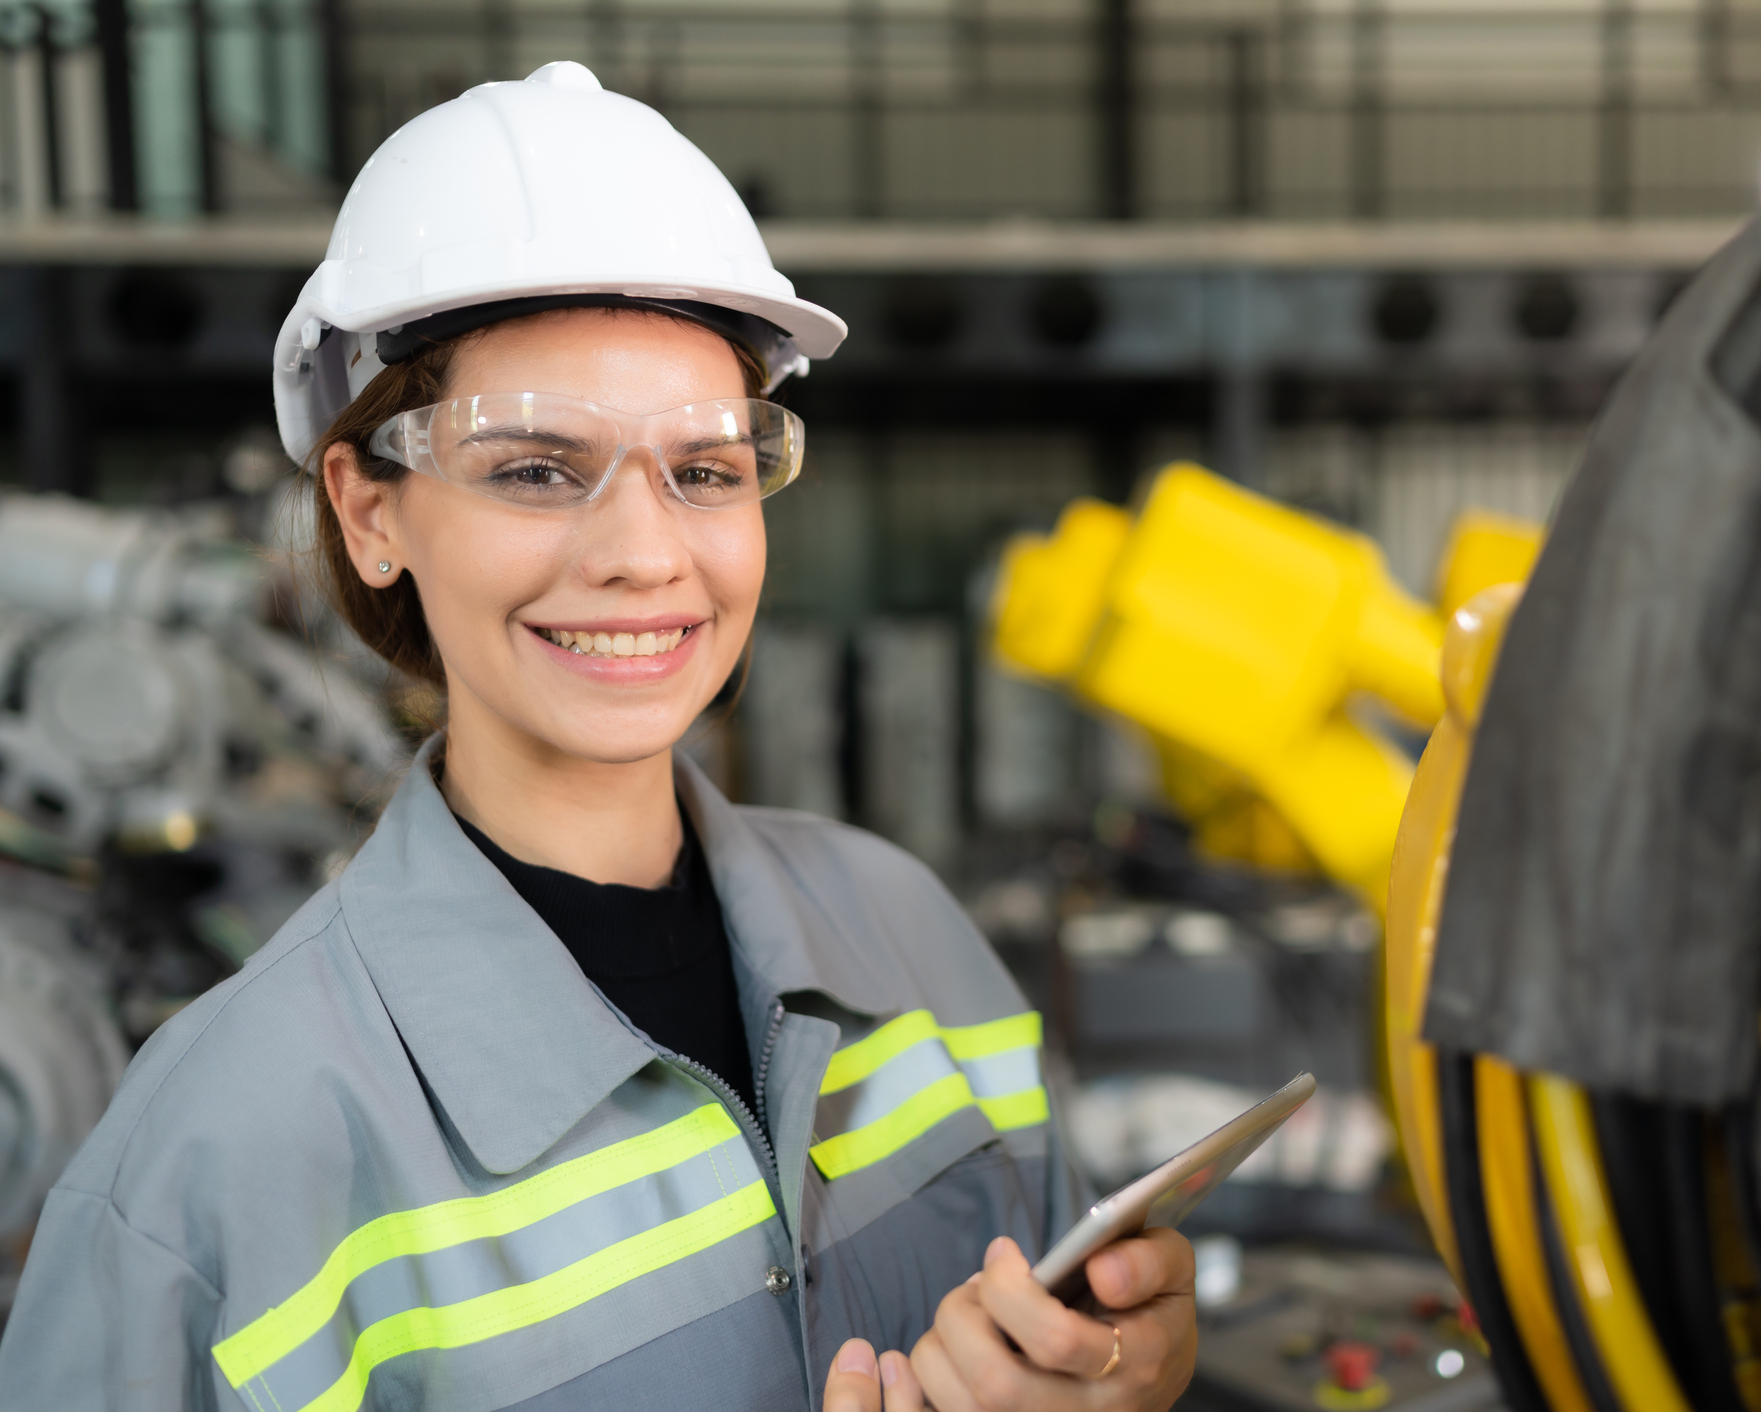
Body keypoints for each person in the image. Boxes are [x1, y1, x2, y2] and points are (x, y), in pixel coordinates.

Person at [0, 63, 1198, 1412]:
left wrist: (1117, 1378)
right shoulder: (212, 1160)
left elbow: (1066, 1322)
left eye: (704, 468)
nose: (644, 555)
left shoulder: (908, 937)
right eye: (533, 468)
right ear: (368, 511)